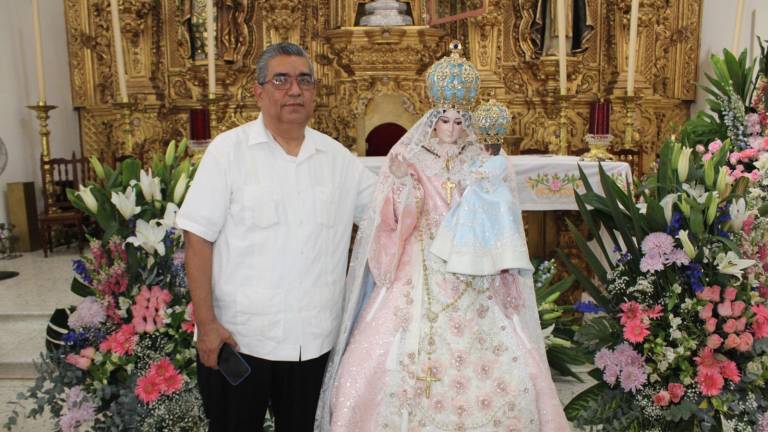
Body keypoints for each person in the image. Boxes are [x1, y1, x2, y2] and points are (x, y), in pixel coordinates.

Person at [314, 42, 570, 431]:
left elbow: (498, 215)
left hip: (471, 266)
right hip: (420, 264)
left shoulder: (480, 159)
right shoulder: (413, 157)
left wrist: (487, 187)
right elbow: (393, 218)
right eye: (444, 119)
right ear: (432, 119)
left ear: (468, 120)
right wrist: (402, 185)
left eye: (458, 120)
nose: (451, 128)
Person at [177, 42, 376, 432]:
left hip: (313, 343)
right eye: (281, 80)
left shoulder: (339, 161)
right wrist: (207, 323)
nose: (294, 90)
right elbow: (198, 239)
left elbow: (391, 212)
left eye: (304, 80)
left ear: (316, 91)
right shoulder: (228, 153)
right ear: (259, 91)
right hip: (240, 340)